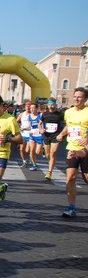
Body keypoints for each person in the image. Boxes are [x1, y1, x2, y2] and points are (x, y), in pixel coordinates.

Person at [56, 87, 88, 218]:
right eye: (75, 96)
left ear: (85, 99)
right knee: (70, 178)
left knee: (86, 178)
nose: (76, 99)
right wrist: (61, 135)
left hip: (86, 149)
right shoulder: (68, 112)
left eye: (80, 97)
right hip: (72, 147)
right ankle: (71, 207)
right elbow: (69, 126)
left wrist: (87, 139)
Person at [41, 99, 65, 180]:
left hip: (56, 135)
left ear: (55, 105)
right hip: (47, 135)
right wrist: (41, 129)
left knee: (53, 152)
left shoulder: (60, 115)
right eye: (49, 105)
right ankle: (49, 160)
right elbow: (39, 123)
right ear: (47, 105)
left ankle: (49, 172)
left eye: (52, 105)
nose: (51, 106)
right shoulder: (44, 114)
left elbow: (66, 124)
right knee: (48, 155)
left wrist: (62, 134)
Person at [27, 103, 44, 171]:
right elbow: (29, 126)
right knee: (31, 150)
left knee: (38, 152)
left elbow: (44, 123)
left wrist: (43, 129)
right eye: (31, 108)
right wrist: (24, 128)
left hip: (39, 135)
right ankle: (34, 164)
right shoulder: (29, 116)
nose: (32, 109)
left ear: (37, 109)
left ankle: (43, 150)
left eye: (33, 108)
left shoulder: (41, 115)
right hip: (32, 134)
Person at [16, 102, 32, 167]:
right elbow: (15, 122)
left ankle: (31, 158)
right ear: (25, 107)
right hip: (23, 134)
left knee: (28, 149)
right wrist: (18, 128)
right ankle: (24, 161)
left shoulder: (33, 115)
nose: (28, 108)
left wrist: (27, 128)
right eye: (27, 106)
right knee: (21, 149)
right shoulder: (22, 114)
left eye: (29, 106)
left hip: (31, 134)